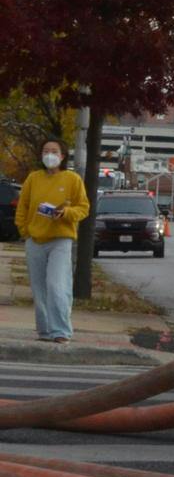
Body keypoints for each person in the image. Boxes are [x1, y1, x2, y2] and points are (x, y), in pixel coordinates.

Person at [15, 138, 90, 344]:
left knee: (57, 285)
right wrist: (25, 231)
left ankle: (61, 331)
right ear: (41, 155)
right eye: (46, 151)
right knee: (39, 289)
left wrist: (66, 213)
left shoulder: (72, 179)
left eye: (54, 151)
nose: (50, 155)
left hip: (60, 240)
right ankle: (45, 330)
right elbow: (22, 207)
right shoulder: (33, 178)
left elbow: (83, 208)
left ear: (62, 156)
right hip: (35, 240)